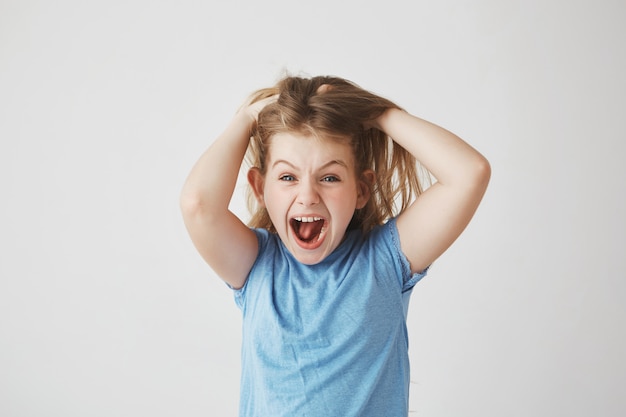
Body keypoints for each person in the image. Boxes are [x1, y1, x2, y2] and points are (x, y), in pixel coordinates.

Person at [180, 74, 490, 417]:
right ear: (259, 186)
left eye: (329, 177)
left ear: (361, 189)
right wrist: (247, 118)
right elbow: (198, 205)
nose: (308, 195)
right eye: (287, 177)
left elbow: (469, 173)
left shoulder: (384, 261)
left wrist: (377, 114)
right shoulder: (256, 264)